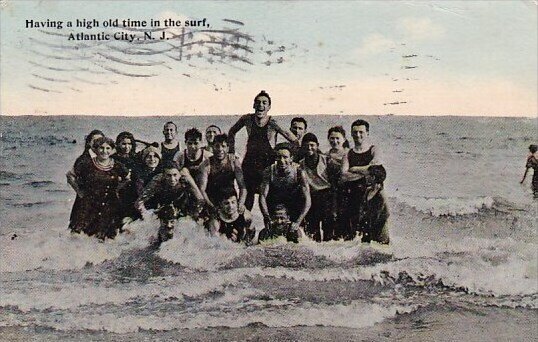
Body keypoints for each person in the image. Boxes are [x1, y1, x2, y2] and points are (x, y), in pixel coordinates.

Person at [228, 90, 299, 211]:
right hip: (250, 164)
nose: (261, 105)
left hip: (267, 165)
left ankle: (269, 227)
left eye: (264, 103)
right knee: (247, 202)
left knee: (268, 200)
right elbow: (231, 131)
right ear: (254, 105)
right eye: (258, 102)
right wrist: (231, 151)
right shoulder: (247, 119)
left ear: (269, 107)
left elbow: (294, 140)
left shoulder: (273, 123)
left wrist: (292, 159)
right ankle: (245, 228)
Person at [68, 137, 129, 240]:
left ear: (112, 150)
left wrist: (116, 189)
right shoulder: (86, 164)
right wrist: (79, 192)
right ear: (96, 149)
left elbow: (127, 178)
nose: (104, 151)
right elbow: (70, 176)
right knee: (82, 236)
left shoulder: (118, 165)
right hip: (89, 204)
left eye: (108, 148)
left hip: (109, 204)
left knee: (106, 238)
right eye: (101, 148)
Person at [340, 119, 389, 243]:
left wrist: (355, 169)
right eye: (355, 132)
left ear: (367, 133)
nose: (358, 135)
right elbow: (344, 176)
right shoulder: (348, 154)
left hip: (374, 194)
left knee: (381, 231)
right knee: (360, 236)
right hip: (356, 197)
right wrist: (365, 173)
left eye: (361, 132)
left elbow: (375, 167)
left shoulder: (374, 149)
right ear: (351, 134)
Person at [259, 143, 311, 237]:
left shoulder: (299, 172)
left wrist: (298, 221)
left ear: (291, 158)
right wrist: (266, 217)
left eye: (285, 157)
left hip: (293, 203)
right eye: (279, 157)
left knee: (297, 235)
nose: (282, 161)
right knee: (271, 236)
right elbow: (262, 196)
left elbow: (308, 200)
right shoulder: (268, 171)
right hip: (275, 203)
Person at [135, 160, 204, 219]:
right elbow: (139, 202)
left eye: (175, 175)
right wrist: (147, 215)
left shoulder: (185, 178)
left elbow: (200, 199)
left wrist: (193, 215)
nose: (172, 179)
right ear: (163, 175)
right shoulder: (157, 180)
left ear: (179, 174)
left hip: (182, 205)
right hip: (162, 206)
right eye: (168, 175)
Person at [66, 129, 104, 233]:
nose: (97, 143)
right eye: (94, 140)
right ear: (88, 143)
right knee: (79, 231)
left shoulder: (103, 158)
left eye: (100, 140)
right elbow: (70, 176)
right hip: (85, 201)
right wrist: (80, 192)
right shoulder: (84, 159)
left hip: (99, 200)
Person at [199, 133, 247, 213]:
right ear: (212, 147)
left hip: (230, 201)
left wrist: (240, 204)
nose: (220, 149)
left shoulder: (234, 162)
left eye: (223, 146)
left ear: (228, 148)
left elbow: (242, 187)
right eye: (217, 146)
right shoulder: (206, 165)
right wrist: (212, 207)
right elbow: (202, 189)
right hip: (213, 201)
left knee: (248, 217)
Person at [299, 133, 332, 242]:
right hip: (311, 197)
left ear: (317, 145)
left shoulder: (326, 160)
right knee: (313, 231)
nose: (309, 148)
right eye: (306, 145)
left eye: (312, 145)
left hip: (327, 195)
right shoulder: (301, 164)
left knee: (328, 229)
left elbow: (335, 182)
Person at [326, 126, 350, 239]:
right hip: (330, 191)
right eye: (332, 138)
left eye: (337, 138)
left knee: (345, 220)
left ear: (344, 139)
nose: (334, 141)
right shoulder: (325, 155)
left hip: (345, 190)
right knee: (330, 220)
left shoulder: (349, 154)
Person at [114, 132, 139, 220]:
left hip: (133, 193)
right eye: (124, 144)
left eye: (129, 144)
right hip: (118, 193)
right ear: (118, 144)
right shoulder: (113, 159)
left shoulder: (136, 159)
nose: (127, 147)